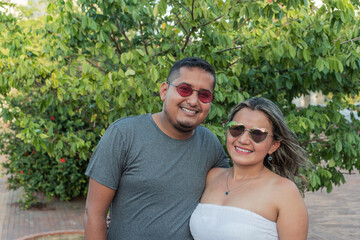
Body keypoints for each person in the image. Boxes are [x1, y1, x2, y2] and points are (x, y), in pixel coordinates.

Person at [83, 57, 230, 240]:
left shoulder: (211, 145)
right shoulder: (123, 134)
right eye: (185, 89)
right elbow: (94, 215)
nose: (193, 101)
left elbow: (236, 191)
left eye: (204, 95)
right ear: (164, 91)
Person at [190, 97, 310, 240]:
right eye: (237, 128)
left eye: (257, 134)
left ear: (273, 146)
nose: (243, 140)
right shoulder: (212, 176)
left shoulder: (284, 191)